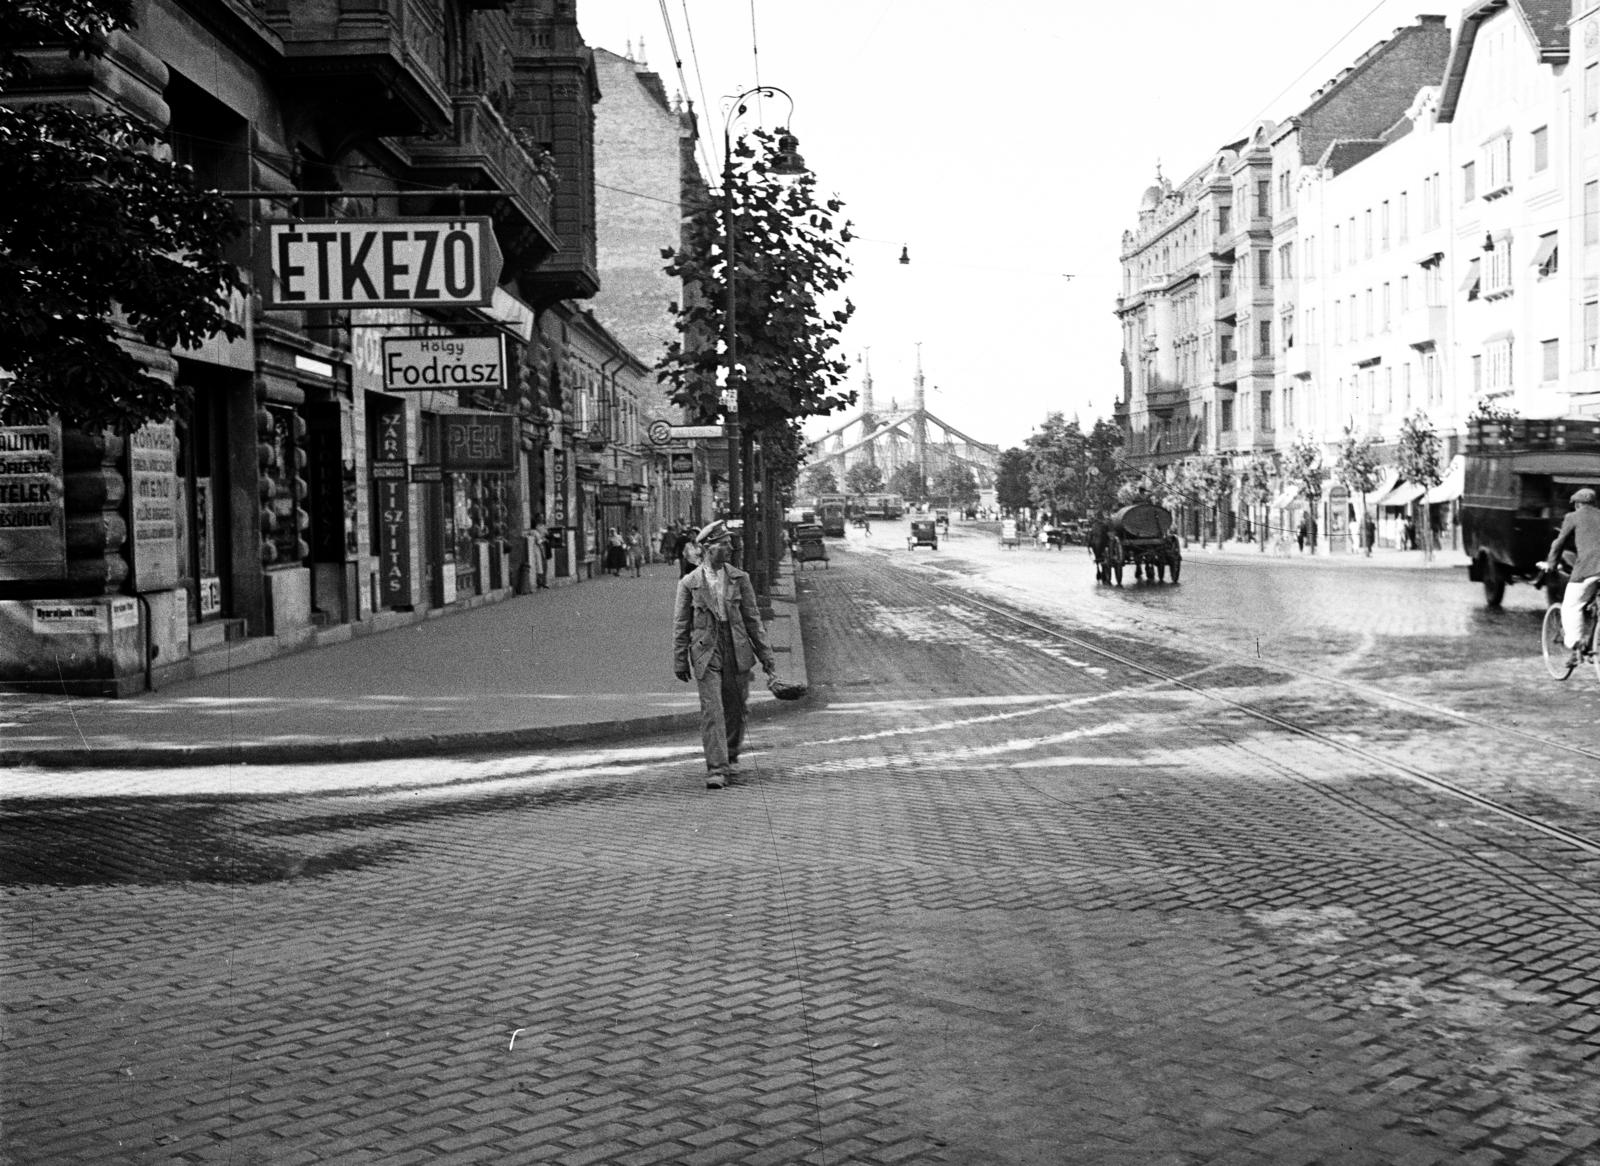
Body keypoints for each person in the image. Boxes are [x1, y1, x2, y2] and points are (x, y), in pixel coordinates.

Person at [673, 520, 776, 788]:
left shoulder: (740, 579)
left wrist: (768, 660)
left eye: (730, 543)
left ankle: (729, 756)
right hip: (706, 651)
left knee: (736, 707)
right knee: (713, 710)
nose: (731, 548)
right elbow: (681, 625)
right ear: (708, 547)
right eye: (724, 544)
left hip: (736, 647)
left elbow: (753, 621)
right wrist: (680, 659)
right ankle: (716, 768)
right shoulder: (689, 583)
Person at [1546, 487, 1600, 668]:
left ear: (1577, 504)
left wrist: (1551, 564)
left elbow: (1558, 543)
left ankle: (1576, 647)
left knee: (1571, 606)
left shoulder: (1572, 517)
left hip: (1588, 569)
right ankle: (1591, 641)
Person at [531, 516, 550, 589]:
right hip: (537, 550)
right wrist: (544, 540)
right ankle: (540, 582)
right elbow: (539, 541)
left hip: (539, 550)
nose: (541, 526)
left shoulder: (534, 531)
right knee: (539, 566)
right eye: (539, 525)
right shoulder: (535, 532)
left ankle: (541, 581)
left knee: (540, 565)